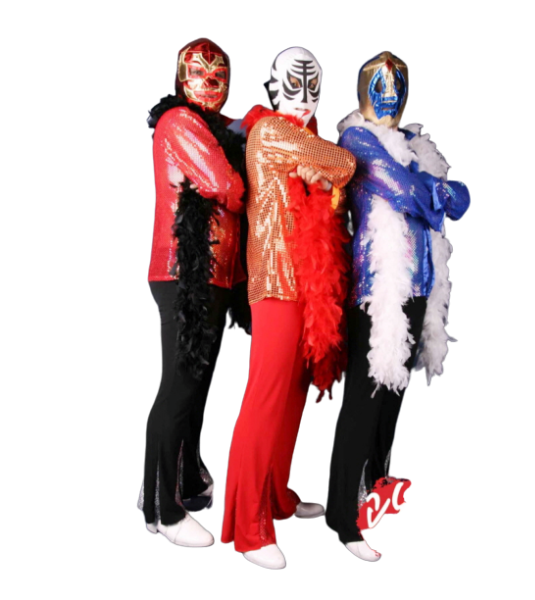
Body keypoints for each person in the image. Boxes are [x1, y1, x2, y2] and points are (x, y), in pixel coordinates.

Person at [325, 50, 471, 561]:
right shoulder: (356, 139)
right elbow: (409, 192)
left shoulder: (414, 144)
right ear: (362, 90)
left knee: (392, 398)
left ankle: (372, 492)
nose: (389, 96)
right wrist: (437, 193)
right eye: (379, 86)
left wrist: (436, 192)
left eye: (397, 87)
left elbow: (463, 198)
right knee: (365, 399)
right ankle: (342, 519)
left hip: (417, 288)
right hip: (378, 290)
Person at [220, 47, 356, 569]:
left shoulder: (299, 136)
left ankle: (276, 496)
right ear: (273, 88)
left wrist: (318, 172)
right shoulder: (271, 130)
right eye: (294, 85)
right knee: (264, 398)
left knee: (293, 396)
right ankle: (247, 526)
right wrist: (322, 169)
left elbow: (331, 176)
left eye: (313, 87)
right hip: (275, 285)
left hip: (303, 286)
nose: (304, 98)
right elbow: (345, 163)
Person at [138, 37, 249, 548]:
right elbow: (228, 186)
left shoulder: (215, 127)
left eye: (218, 74)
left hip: (216, 278)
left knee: (196, 390)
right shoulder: (179, 122)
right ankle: (160, 508)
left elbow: (239, 138)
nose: (210, 82)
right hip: (183, 274)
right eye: (199, 74)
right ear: (181, 80)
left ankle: (181, 479)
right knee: (178, 388)